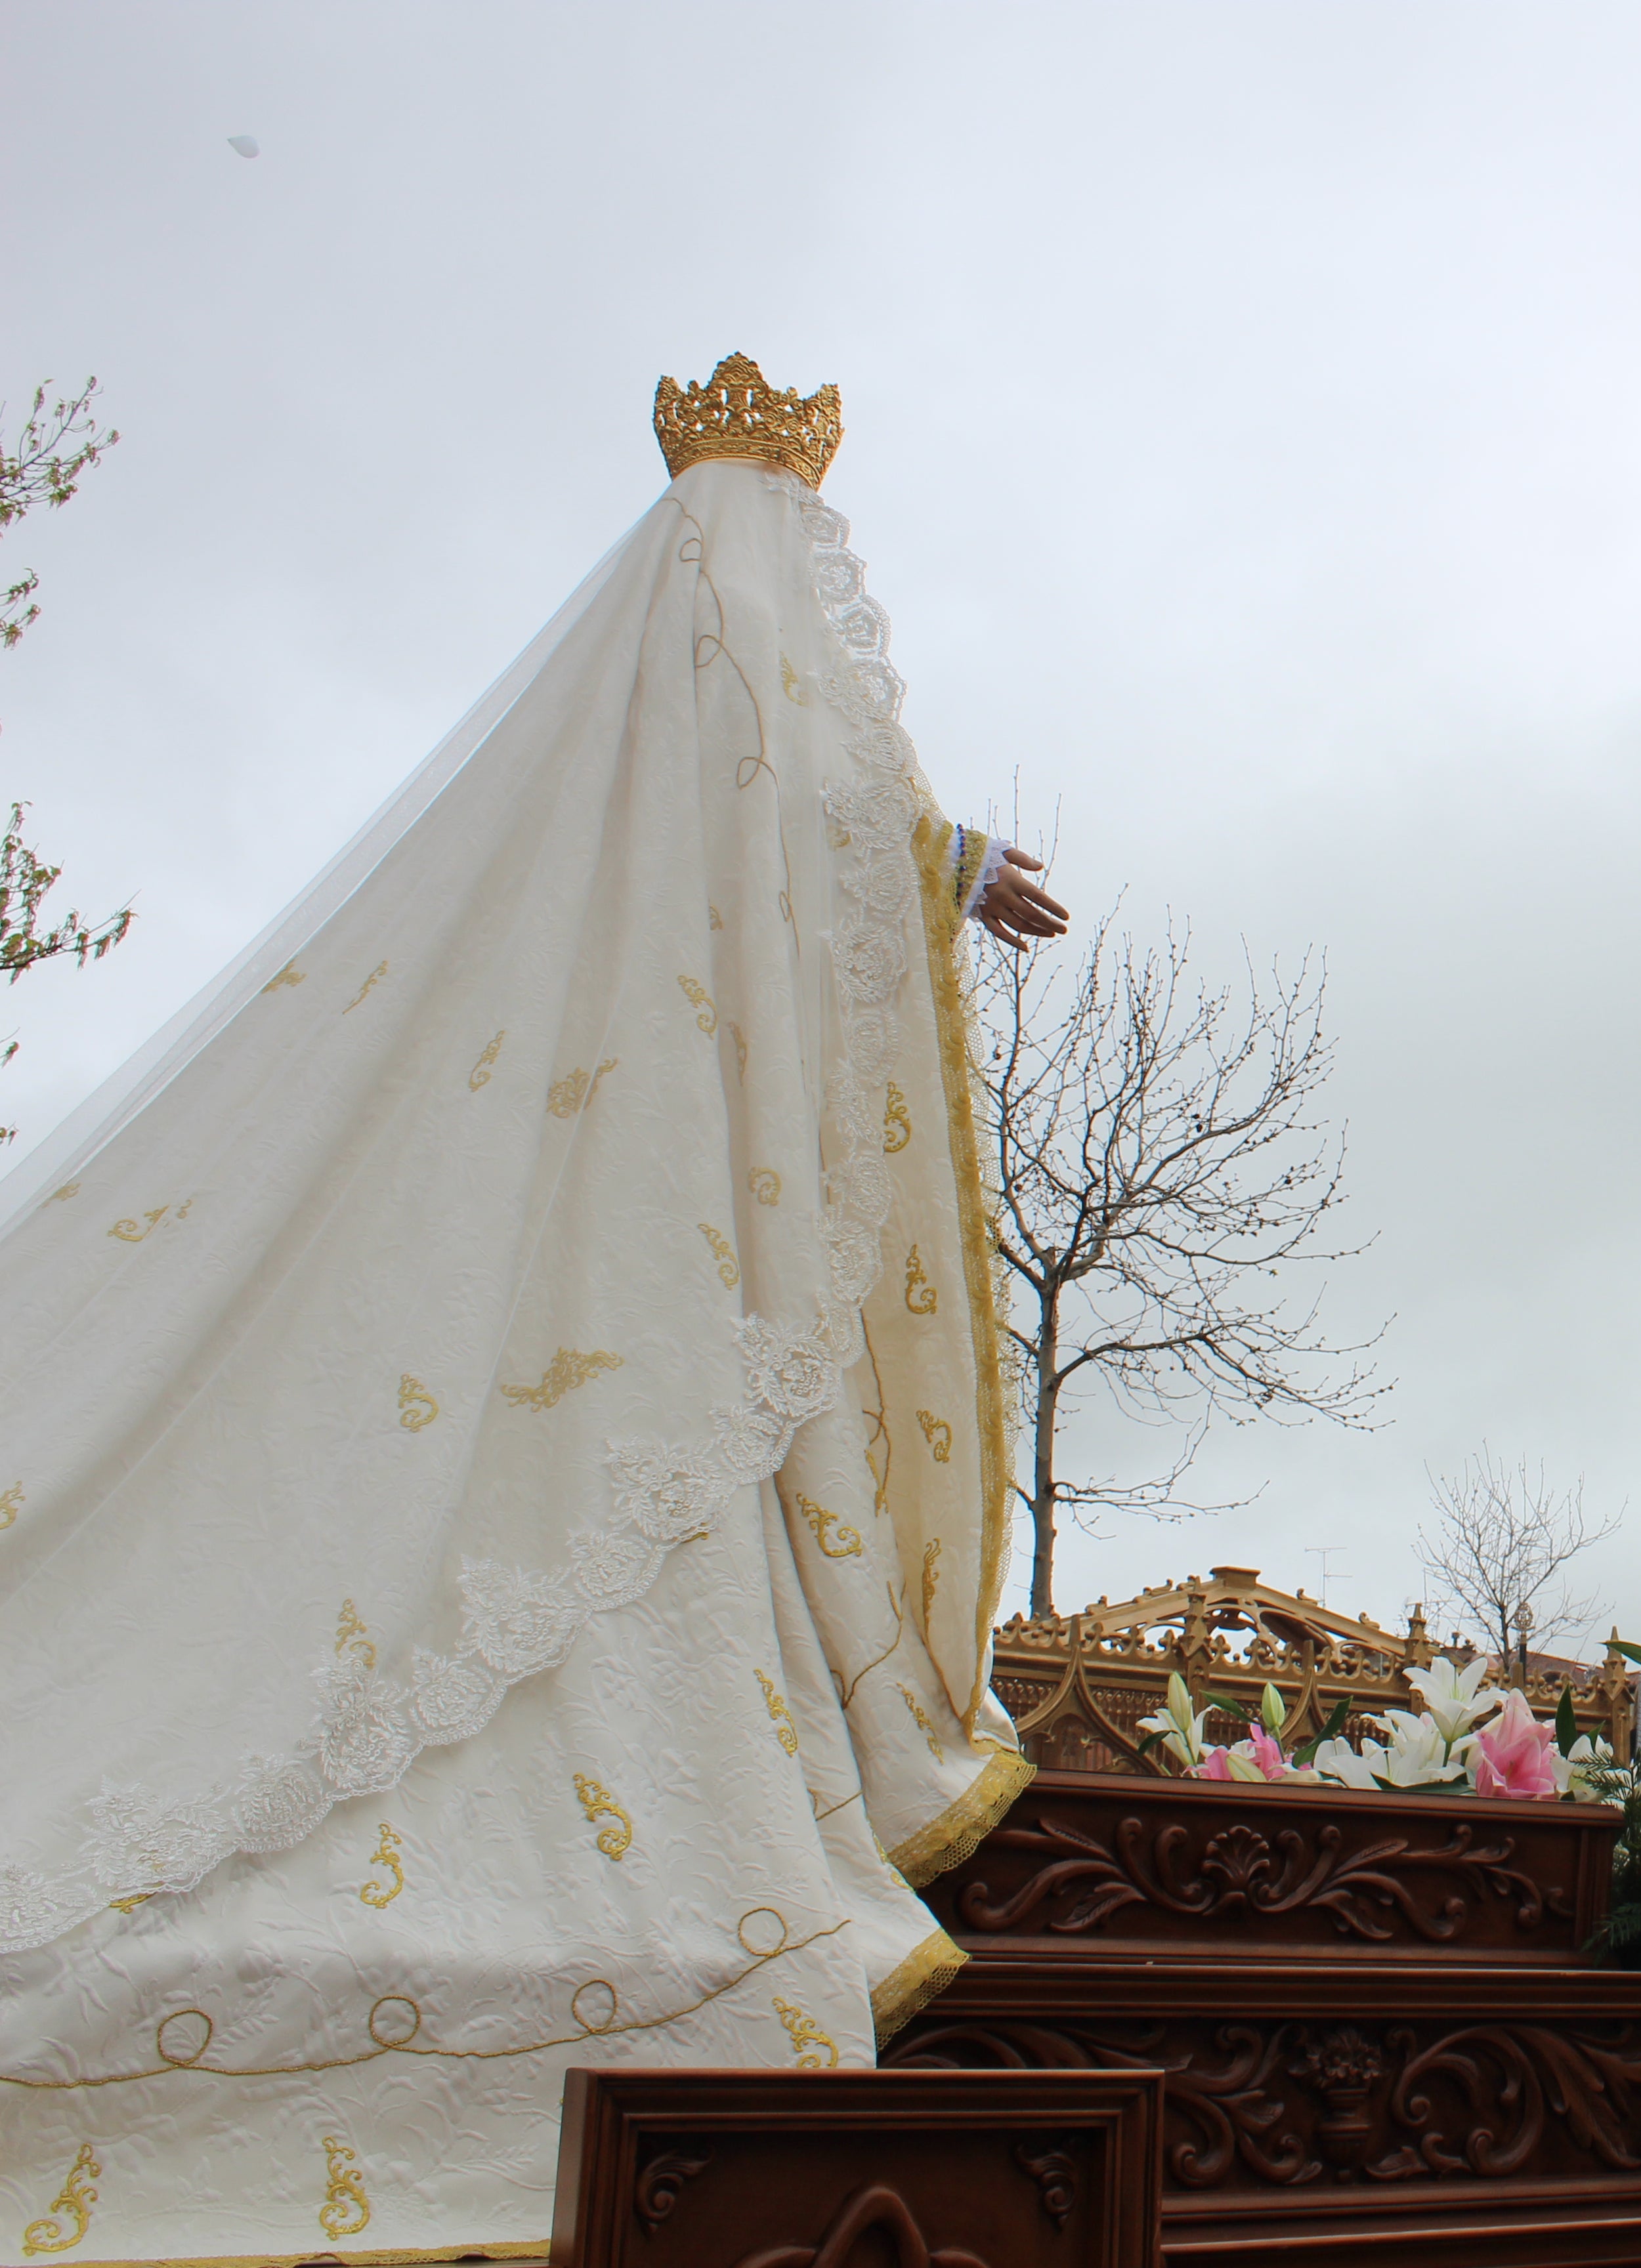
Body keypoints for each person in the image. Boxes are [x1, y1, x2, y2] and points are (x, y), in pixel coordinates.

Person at [0, 358, 1063, 2262]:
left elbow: (798, 822)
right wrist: (939, 860)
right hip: (651, 1129)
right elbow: (799, 803)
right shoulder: (720, 637)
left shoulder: (680, 658)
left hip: (663, 1119)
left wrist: (938, 858)